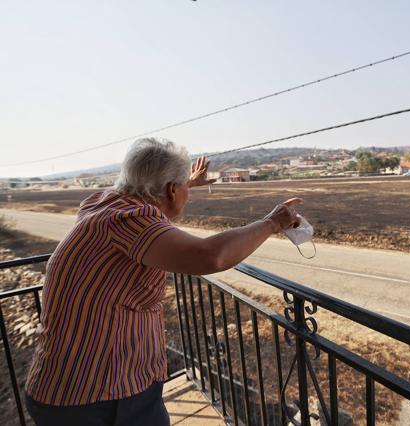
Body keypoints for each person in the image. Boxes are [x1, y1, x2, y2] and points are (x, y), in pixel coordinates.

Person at [24, 138, 302, 425]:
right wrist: (272, 223)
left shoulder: (103, 203)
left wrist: (186, 183)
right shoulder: (130, 219)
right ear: (170, 190)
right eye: (181, 188)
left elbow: (151, 192)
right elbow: (210, 256)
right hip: (100, 396)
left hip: (65, 385)